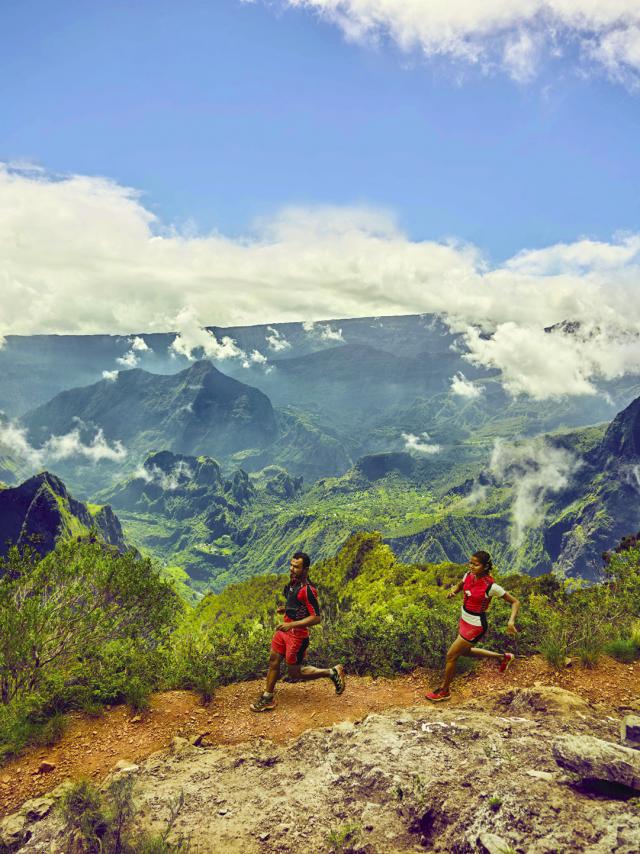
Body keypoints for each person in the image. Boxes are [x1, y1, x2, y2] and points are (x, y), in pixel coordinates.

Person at [250, 551, 346, 712]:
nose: (292, 569)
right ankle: (267, 698)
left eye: (296, 567)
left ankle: (331, 672)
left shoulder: (308, 590)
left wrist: (292, 624)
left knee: (295, 673)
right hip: (284, 630)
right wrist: (286, 609)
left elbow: (316, 618)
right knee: (273, 660)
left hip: (297, 636)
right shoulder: (293, 584)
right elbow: (297, 606)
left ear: (306, 569)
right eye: (291, 565)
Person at [426, 550, 520, 702]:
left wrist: (511, 621)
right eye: (470, 563)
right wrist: (454, 591)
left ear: (485, 566)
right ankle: (503, 657)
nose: (471, 566)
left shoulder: (491, 586)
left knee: (451, 655)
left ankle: (445, 691)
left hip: (476, 624)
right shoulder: (468, 575)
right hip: (464, 619)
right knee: (465, 652)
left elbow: (515, 601)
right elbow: (461, 585)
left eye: (475, 565)